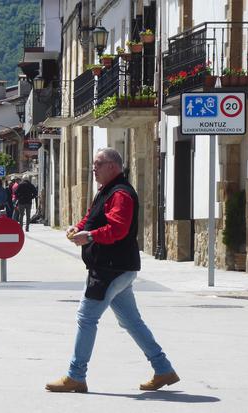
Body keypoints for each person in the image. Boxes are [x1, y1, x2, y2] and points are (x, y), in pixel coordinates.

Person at [45, 148, 178, 393]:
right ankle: (163, 369)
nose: (93, 168)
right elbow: (92, 218)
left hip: (110, 270)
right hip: (117, 269)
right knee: (132, 322)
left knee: (86, 318)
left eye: (98, 163)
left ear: (113, 167)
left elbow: (118, 229)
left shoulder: (121, 194)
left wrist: (91, 235)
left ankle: (76, 375)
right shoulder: (107, 191)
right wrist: (78, 228)